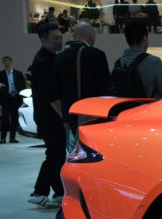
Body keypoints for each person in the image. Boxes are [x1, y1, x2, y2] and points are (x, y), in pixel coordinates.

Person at [27, 22, 65, 208]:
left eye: (60, 37)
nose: (59, 41)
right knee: (55, 154)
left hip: (48, 116)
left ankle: (59, 192)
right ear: (43, 40)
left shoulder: (49, 59)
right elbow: (51, 96)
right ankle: (39, 192)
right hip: (49, 117)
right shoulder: (42, 62)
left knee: (57, 154)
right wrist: (64, 118)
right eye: (55, 38)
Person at [54, 21, 110, 137]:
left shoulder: (59, 58)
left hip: (69, 114)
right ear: (90, 35)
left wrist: (65, 118)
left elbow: (58, 90)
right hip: (92, 114)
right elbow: (104, 87)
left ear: (74, 36)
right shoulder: (96, 55)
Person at [113, 21, 162, 99]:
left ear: (127, 40)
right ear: (145, 38)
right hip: (148, 106)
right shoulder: (154, 62)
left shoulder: (118, 64)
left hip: (124, 106)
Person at [1, 55, 27, 143]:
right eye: (5, 62)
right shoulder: (1, 74)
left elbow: (23, 86)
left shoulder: (18, 73)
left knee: (15, 118)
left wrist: (22, 98)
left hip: (16, 98)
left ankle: (12, 138)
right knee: (5, 118)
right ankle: (3, 138)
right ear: (3, 63)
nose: (6, 63)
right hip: (6, 98)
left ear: (11, 62)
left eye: (8, 62)